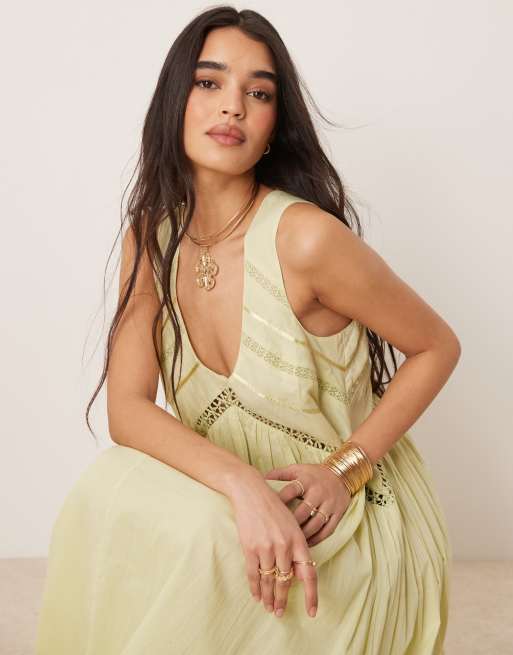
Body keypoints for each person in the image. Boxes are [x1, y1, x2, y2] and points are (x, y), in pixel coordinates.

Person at [35, 6, 460, 654]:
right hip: (234, 502)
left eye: (258, 93)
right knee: (107, 488)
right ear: (174, 103)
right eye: (208, 83)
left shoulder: (306, 239)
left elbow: (436, 345)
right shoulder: (152, 237)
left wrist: (343, 471)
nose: (232, 105)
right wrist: (241, 486)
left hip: (338, 514)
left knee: (204, 541)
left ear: (272, 129)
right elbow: (127, 409)